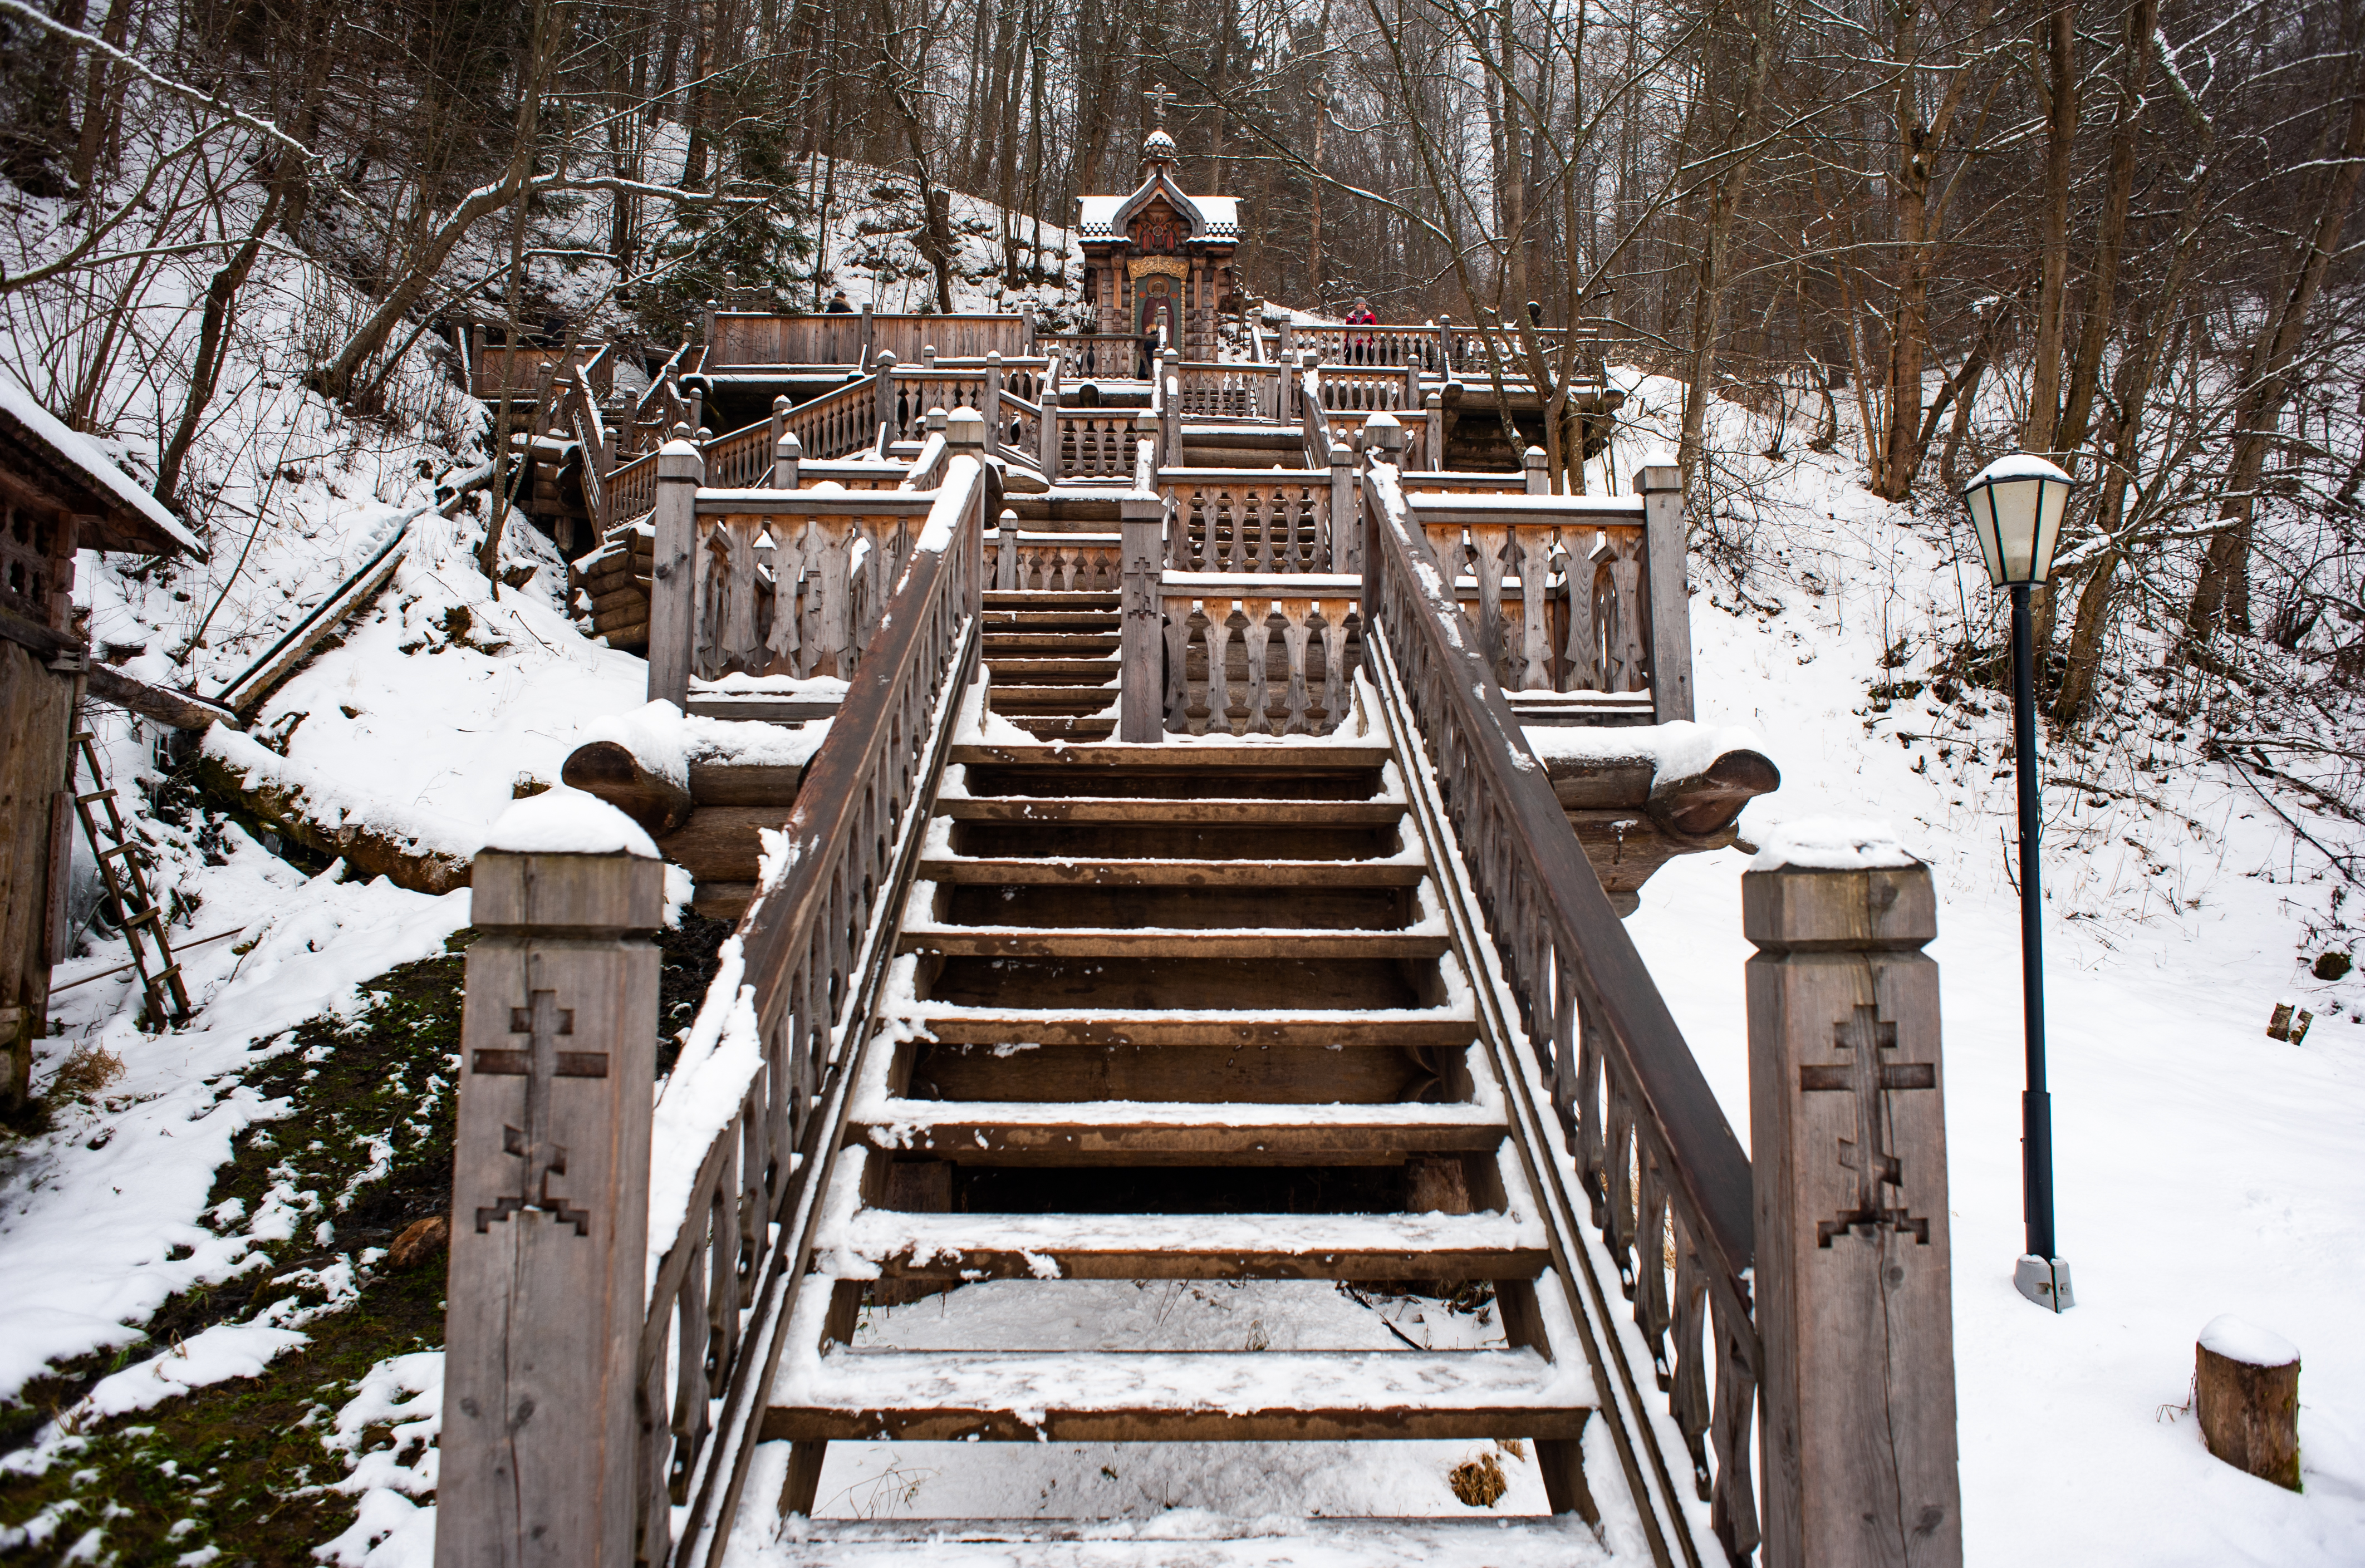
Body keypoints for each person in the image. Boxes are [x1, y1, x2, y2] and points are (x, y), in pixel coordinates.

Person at [1345, 297, 1378, 363]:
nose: (1362, 306)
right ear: (1356, 305)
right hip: (1352, 344)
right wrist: (1344, 348)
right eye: (1360, 304)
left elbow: (1375, 332)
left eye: (1364, 304)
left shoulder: (1371, 317)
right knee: (1349, 364)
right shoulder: (1350, 318)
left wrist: (1376, 345)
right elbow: (1347, 334)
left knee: (1365, 365)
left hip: (1366, 344)